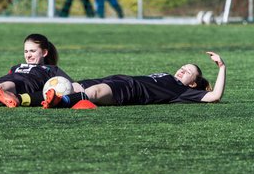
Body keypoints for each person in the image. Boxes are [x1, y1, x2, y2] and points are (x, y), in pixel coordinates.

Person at [42, 51, 226, 108]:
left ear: (193, 83)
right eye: (182, 67)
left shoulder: (182, 92)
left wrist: (222, 67)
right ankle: (28, 99)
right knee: (75, 85)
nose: (181, 71)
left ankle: (60, 101)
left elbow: (215, 96)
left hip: (130, 91)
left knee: (95, 92)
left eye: (187, 72)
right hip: (121, 79)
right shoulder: (168, 76)